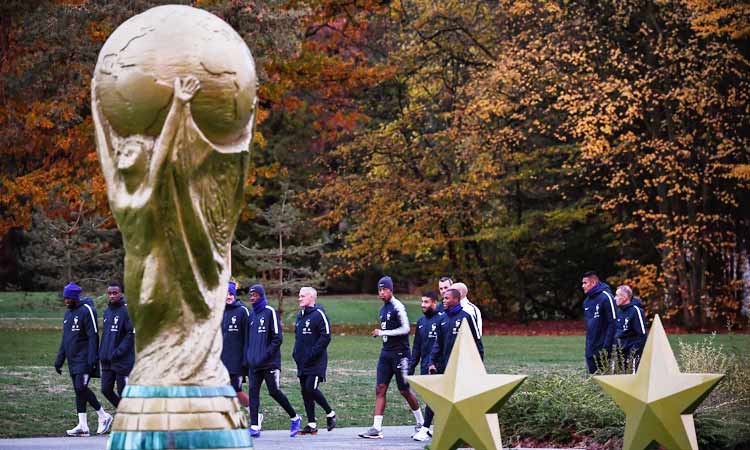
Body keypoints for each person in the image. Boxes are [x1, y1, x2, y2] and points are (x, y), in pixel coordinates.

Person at [359, 276, 423, 439]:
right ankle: (376, 428)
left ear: (391, 290)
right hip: (386, 353)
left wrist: (383, 332)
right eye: (379, 290)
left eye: (384, 289)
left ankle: (421, 423)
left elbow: (406, 329)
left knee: (404, 390)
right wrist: (382, 334)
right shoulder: (382, 310)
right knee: (380, 388)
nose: (382, 293)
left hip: (401, 354)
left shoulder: (398, 306)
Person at [54, 283, 113, 437]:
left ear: (74, 297)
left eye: (68, 298)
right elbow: (65, 339)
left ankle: (103, 416)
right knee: (78, 391)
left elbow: (93, 335)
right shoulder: (68, 314)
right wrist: (59, 360)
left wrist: (93, 358)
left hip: (85, 359)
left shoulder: (87, 311)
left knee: (81, 388)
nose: (66, 301)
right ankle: (83, 426)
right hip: (73, 360)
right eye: (65, 298)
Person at [244, 284, 301, 438]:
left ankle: (295, 418)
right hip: (254, 364)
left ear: (261, 296)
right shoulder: (251, 315)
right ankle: (255, 427)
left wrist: (265, 356)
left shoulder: (270, 312)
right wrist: (248, 358)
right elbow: (248, 341)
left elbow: (277, 338)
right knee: (253, 393)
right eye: (250, 295)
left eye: (255, 295)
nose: (252, 297)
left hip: (269, 363)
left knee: (274, 392)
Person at [293, 287, 337, 435]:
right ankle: (311, 424)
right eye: (299, 296)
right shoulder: (300, 316)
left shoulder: (319, 314)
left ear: (312, 298)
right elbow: (298, 338)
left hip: (316, 362)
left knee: (311, 388)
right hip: (302, 362)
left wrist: (312, 353)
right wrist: (296, 353)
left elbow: (326, 336)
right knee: (305, 391)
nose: (299, 298)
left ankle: (330, 413)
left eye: (302, 296)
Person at [409, 291, 443, 442]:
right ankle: (430, 428)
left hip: (437, 366)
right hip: (424, 365)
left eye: (427, 302)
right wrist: (412, 365)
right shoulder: (421, 322)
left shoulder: (442, 320)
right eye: (422, 302)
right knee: (431, 397)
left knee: (434, 397)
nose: (423, 305)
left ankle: (425, 428)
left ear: (435, 303)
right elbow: (417, 347)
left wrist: (434, 362)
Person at [429, 288, 484, 375]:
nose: (444, 301)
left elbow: (477, 342)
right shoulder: (441, 318)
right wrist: (431, 362)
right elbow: (438, 343)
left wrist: (479, 365)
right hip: (446, 364)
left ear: (456, 299)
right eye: (443, 298)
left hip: (464, 364)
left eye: (447, 298)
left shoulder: (467, 317)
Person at [99, 281, 135, 409]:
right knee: (105, 389)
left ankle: (130, 420)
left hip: (122, 360)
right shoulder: (107, 311)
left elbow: (131, 333)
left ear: (121, 293)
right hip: (107, 360)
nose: (112, 296)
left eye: (115, 293)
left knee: (123, 393)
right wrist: (102, 352)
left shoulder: (127, 310)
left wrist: (118, 352)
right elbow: (106, 335)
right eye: (109, 293)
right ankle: (123, 413)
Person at [581, 271, 617, 374]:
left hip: (604, 349)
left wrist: (607, 346)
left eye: (585, 283)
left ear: (593, 283)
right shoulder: (586, 302)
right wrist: (588, 347)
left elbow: (613, 323)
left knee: (606, 380)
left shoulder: (606, 297)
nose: (582, 286)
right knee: (593, 381)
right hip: (591, 349)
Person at [222, 281, 250, 407]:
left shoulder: (242, 311)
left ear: (234, 295)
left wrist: (245, 359)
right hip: (222, 360)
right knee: (222, 390)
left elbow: (249, 337)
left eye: (231, 294)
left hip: (237, 361)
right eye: (226, 293)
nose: (228, 296)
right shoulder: (220, 311)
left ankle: (254, 412)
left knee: (236, 390)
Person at [614, 285, 647, 372]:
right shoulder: (619, 311)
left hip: (631, 354)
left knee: (631, 379)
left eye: (617, 295)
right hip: (619, 353)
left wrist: (633, 352)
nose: (615, 298)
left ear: (624, 297)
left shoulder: (636, 311)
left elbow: (642, 334)